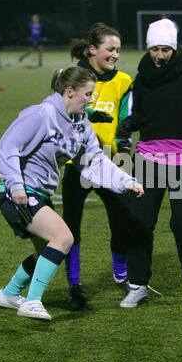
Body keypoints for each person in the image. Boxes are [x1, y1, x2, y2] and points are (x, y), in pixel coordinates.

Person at [0, 66, 143, 321]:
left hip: (39, 194)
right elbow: (8, 146)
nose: (91, 99)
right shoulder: (43, 114)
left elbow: (94, 162)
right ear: (70, 91)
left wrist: (125, 181)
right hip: (18, 193)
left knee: (45, 252)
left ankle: (9, 293)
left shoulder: (81, 124)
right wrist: (15, 185)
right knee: (64, 237)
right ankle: (32, 301)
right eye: (88, 94)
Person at [118, 18, 182, 309]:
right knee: (139, 221)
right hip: (150, 156)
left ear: (174, 48)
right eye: (155, 49)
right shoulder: (143, 76)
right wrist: (128, 125)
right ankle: (138, 285)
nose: (159, 55)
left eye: (165, 49)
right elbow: (143, 114)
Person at [62, 22, 133, 310]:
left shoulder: (125, 80)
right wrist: (92, 113)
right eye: (110, 49)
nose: (115, 54)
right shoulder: (73, 77)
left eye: (118, 49)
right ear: (92, 50)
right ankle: (74, 285)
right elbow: (64, 109)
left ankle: (121, 275)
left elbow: (127, 115)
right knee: (71, 227)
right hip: (77, 162)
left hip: (111, 161)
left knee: (122, 220)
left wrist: (124, 138)